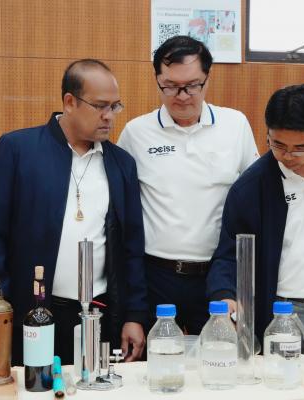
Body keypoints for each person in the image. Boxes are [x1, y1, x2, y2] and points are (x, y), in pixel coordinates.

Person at [0, 59, 147, 365]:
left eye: (115, 106)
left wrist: (134, 315)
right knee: (34, 387)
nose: (109, 116)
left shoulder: (121, 164)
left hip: (99, 315)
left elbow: (131, 247)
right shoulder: (18, 150)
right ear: (69, 102)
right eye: (100, 106)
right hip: (30, 316)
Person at [118, 35, 258, 334]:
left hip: (216, 278)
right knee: (154, 358)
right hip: (155, 275)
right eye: (170, 86)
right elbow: (120, 212)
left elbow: (253, 200)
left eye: (192, 85)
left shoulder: (235, 125)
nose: (181, 96)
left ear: (208, 78)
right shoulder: (136, 133)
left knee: (217, 357)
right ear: (157, 80)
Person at [207, 84, 304, 343]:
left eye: (300, 147)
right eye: (278, 144)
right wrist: (225, 295)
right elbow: (229, 254)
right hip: (282, 313)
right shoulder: (250, 188)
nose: (288, 156)